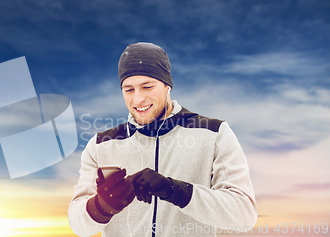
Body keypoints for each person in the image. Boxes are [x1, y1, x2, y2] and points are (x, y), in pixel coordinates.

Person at [68, 42, 257, 237]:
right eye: (129, 90)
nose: (138, 99)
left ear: (168, 86)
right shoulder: (101, 145)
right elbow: (78, 225)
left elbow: (244, 216)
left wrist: (175, 191)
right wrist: (101, 206)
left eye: (147, 86)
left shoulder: (214, 133)